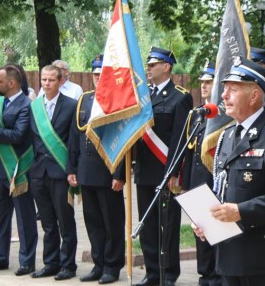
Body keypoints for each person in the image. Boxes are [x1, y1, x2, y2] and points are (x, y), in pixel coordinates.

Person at [193, 56, 265, 286]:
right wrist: (207, 220)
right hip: (228, 254)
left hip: (262, 259)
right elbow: (222, 187)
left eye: (232, 90)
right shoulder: (227, 136)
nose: (223, 96)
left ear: (254, 96)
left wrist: (242, 211)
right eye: (225, 89)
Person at [134, 47, 193, 286]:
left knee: (167, 225)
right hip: (144, 170)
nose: (148, 68)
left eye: (152, 65)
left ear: (166, 67)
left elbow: (181, 139)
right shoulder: (142, 96)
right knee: (147, 225)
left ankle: (168, 274)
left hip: (165, 172)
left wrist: (173, 172)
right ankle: (151, 273)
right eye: (148, 65)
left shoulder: (180, 96)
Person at [66, 55, 126, 284]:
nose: (98, 78)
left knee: (112, 223)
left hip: (108, 172)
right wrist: (71, 168)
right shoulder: (84, 100)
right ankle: (98, 264)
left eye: (102, 74)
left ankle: (112, 267)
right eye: (95, 75)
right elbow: (74, 137)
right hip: (86, 170)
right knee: (93, 222)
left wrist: (119, 174)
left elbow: (122, 140)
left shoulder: (118, 101)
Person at [0, 64, 38, 276]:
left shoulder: (26, 105)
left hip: (19, 169)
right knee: (0, 219)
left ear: (11, 83)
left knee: (24, 219)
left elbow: (17, 135)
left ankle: (27, 261)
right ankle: (0, 257)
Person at [29, 65, 78, 280]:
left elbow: (74, 142)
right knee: (47, 222)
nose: (46, 84)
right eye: (43, 80)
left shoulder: (71, 105)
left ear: (60, 82)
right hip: (39, 173)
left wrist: (72, 170)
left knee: (65, 221)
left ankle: (68, 265)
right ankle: (51, 262)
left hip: (61, 172)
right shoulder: (35, 107)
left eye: (51, 80)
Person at [182, 60, 221, 286]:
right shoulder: (196, 114)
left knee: (216, 230)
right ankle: (205, 273)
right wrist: (186, 183)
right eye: (203, 82)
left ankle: (217, 274)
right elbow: (189, 152)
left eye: (209, 81)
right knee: (200, 230)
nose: (204, 86)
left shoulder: (223, 115)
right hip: (197, 179)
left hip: (214, 180)